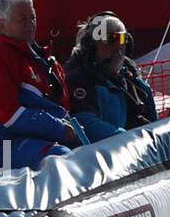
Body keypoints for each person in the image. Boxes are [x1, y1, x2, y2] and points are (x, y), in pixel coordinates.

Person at [0, 0, 81, 171]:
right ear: (2, 24)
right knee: (61, 159)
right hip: (0, 144)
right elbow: (7, 115)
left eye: (32, 17)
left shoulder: (39, 59)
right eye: (22, 19)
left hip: (31, 136)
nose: (30, 24)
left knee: (90, 150)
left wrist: (72, 129)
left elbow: (61, 106)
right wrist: (60, 129)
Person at [64, 12, 157, 142]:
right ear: (90, 46)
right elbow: (87, 125)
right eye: (109, 39)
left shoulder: (133, 79)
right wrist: (131, 140)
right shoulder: (79, 80)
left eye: (122, 39)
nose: (117, 47)